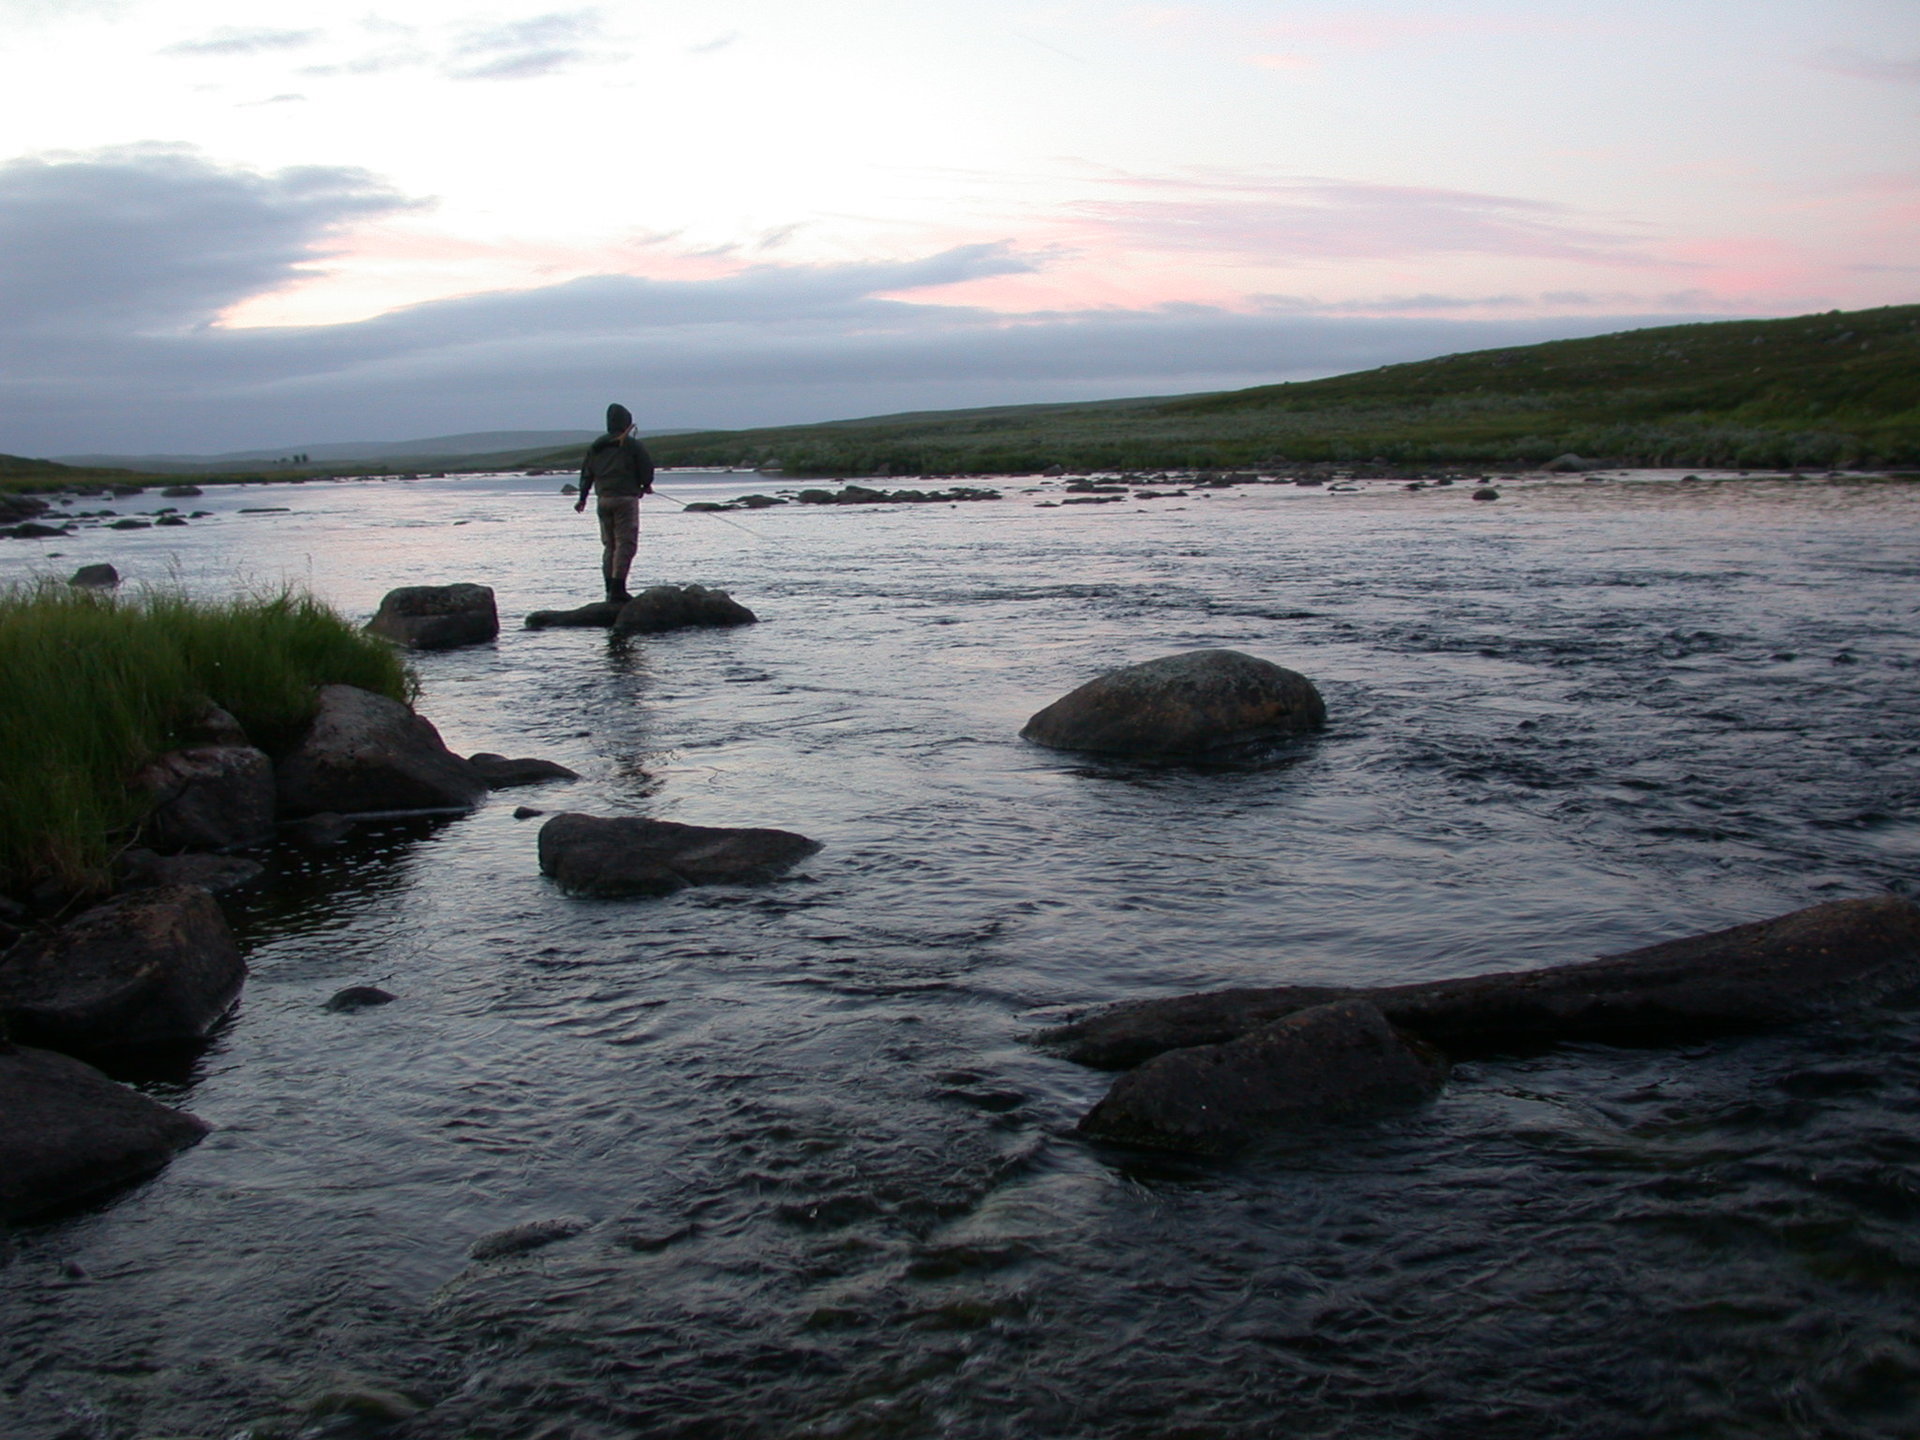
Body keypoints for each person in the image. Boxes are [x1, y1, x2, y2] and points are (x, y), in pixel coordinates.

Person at [574, 402, 655, 603]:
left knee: (609, 545)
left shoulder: (596, 446)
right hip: (625, 500)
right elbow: (646, 469)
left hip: (603, 500)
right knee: (625, 544)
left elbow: (587, 474)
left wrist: (582, 498)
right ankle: (618, 590)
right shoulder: (632, 445)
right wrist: (645, 485)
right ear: (625, 423)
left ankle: (610, 589)